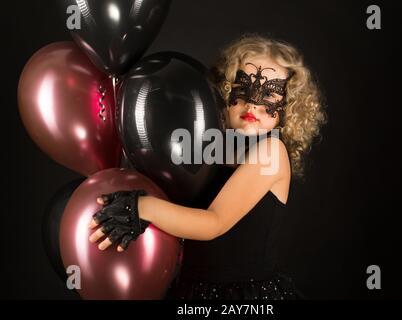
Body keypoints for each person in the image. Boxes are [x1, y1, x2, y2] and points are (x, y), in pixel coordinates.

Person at [88, 34, 326, 299]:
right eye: (242, 88)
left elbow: (214, 222)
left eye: (269, 93)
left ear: (288, 108)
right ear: (223, 89)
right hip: (190, 289)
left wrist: (142, 207)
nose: (253, 103)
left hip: (243, 298)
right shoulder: (210, 144)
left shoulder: (271, 152)